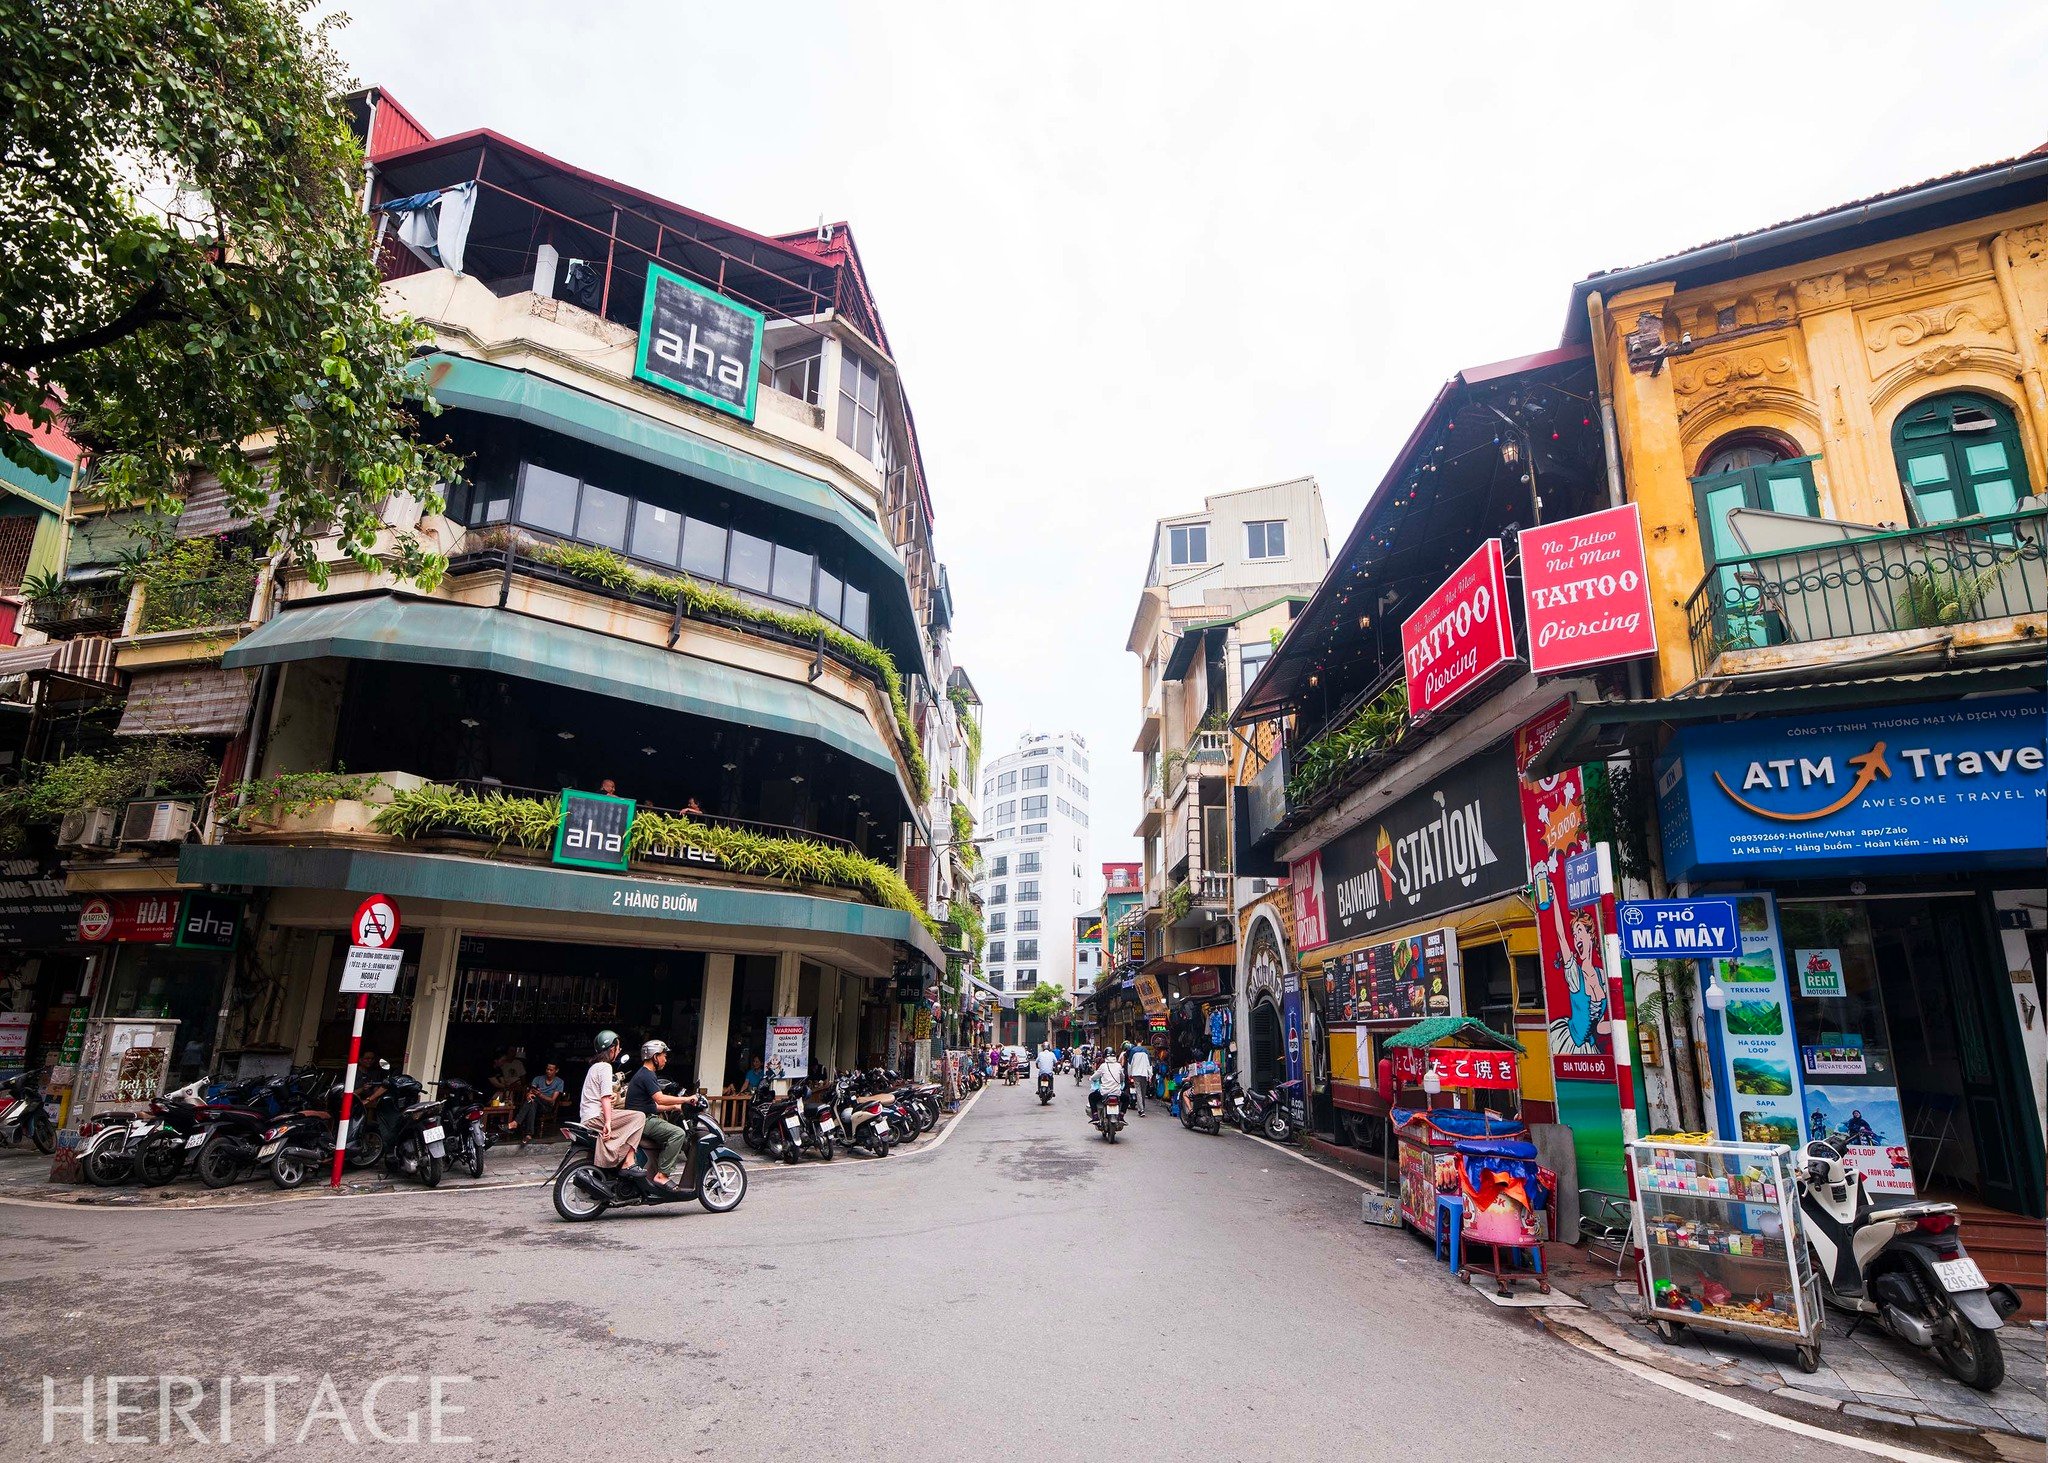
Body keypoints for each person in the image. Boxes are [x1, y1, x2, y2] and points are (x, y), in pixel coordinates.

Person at [627, 1040, 693, 1188]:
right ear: (654, 1056)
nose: (666, 1059)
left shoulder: (643, 1074)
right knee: (678, 1134)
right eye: (664, 1055)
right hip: (643, 1121)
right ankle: (662, 1175)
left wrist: (672, 1107)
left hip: (640, 1119)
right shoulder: (647, 1075)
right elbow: (660, 1098)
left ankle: (652, 1173)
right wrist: (687, 1099)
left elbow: (650, 1105)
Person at [582, 1031, 646, 1173]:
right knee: (639, 1117)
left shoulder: (594, 1067)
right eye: (619, 1048)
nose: (619, 1051)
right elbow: (605, 1097)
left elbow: (601, 1096)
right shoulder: (605, 1067)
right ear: (612, 1049)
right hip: (595, 1117)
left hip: (587, 1116)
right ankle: (628, 1161)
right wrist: (608, 1123)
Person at [512, 1062, 566, 1147]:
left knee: (534, 1099)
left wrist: (540, 1095)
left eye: (551, 1070)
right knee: (532, 1102)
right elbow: (530, 1091)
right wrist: (528, 1094)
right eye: (547, 1069)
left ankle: (516, 1122)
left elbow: (552, 1100)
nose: (548, 1071)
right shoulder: (537, 1079)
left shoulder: (559, 1082)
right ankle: (528, 1135)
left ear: (556, 1070)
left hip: (546, 1106)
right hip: (535, 1103)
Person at [1089, 1047, 1125, 1124]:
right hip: (1117, 1092)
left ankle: (1095, 1116)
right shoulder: (1119, 1066)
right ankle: (1121, 1116)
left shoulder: (1103, 1066)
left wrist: (1091, 1078)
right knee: (1126, 1098)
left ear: (1105, 1056)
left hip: (1104, 1092)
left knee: (1091, 1097)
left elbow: (1095, 1076)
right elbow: (1122, 1077)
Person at [1126, 1042, 1153, 1114]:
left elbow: (1129, 1063)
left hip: (1135, 1074)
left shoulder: (1133, 1051)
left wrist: (1129, 1074)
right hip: (1144, 1074)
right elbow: (1149, 1064)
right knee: (1143, 1091)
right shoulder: (1146, 1051)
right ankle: (1142, 1107)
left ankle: (1141, 1109)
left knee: (1138, 1091)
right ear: (1142, 1041)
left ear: (1135, 1041)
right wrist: (1150, 1075)